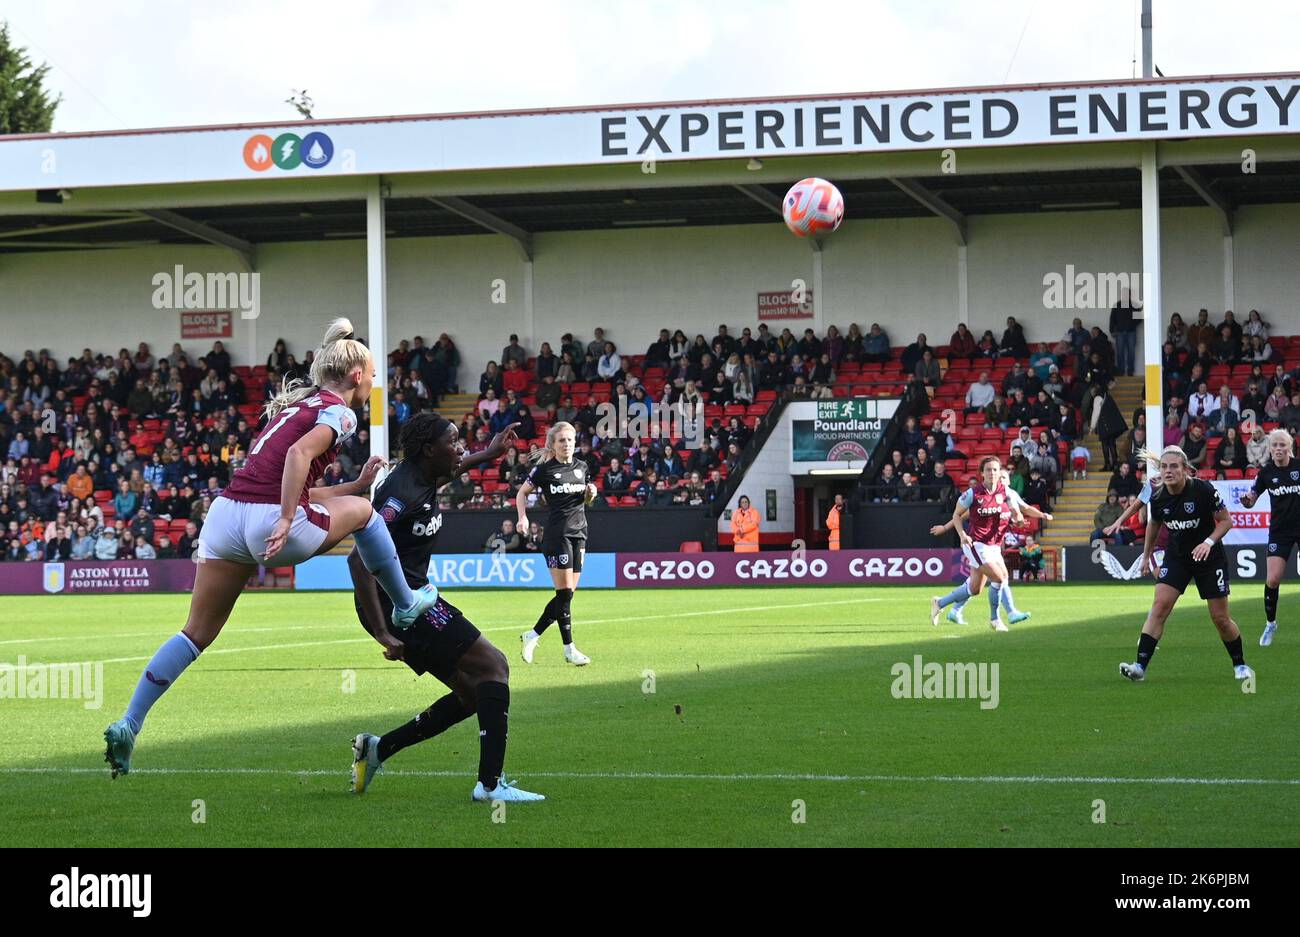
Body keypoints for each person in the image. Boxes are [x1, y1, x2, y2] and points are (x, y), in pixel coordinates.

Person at [103, 318, 443, 779]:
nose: (374, 385)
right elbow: (297, 459)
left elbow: (298, 483)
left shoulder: (302, 404)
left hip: (226, 516)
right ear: (358, 376)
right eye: (373, 376)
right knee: (364, 514)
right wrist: (286, 519)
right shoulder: (341, 412)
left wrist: (355, 483)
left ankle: (129, 723)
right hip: (270, 520)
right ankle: (405, 604)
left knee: (195, 633)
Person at [347, 412, 543, 803]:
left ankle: (378, 749)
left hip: (411, 597)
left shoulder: (424, 473)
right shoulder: (399, 496)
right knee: (494, 666)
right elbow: (358, 559)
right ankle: (490, 786)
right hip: (397, 606)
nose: (460, 447)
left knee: (474, 694)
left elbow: (455, 468)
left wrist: (489, 453)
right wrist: (383, 630)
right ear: (427, 450)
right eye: (453, 441)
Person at [1120, 446, 1253, 683]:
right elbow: (1154, 524)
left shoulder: (1202, 490)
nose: (1168, 471)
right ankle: (1139, 666)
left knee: (1220, 618)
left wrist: (1208, 542)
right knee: (1159, 607)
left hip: (1209, 558)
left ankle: (1240, 664)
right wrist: (1146, 554)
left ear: (1185, 470)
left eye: (1173, 466)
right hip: (1177, 556)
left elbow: (1226, 521)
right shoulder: (1158, 494)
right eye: (1164, 466)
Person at [929, 456, 1052, 630]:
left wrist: (1042, 515)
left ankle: (939, 603)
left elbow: (1023, 509)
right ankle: (996, 619)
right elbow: (957, 515)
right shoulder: (973, 493)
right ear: (982, 473)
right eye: (988, 470)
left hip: (993, 545)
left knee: (975, 588)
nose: (992, 473)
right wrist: (961, 534)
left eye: (995, 469)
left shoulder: (1006, 493)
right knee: (1000, 578)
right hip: (976, 544)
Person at [516, 422, 597, 666]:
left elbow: (586, 501)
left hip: (579, 533)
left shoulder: (583, 467)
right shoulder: (544, 470)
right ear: (553, 444)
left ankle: (533, 635)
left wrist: (590, 495)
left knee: (567, 595)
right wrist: (522, 517)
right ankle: (569, 648)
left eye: (570, 440)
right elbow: (521, 493)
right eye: (562, 440)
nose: (567, 444)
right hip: (557, 535)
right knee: (563, 594)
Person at [1240, 429, 1300, 646]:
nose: (1278, 449)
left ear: (1290, 447)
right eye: (1274, 445)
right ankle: (1271, 623)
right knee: (1273, 579)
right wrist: (1247, 500)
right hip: (1280, 531)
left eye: (1282, 445)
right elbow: (1253, 497)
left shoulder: (1298, 467)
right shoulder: (1266, 472)